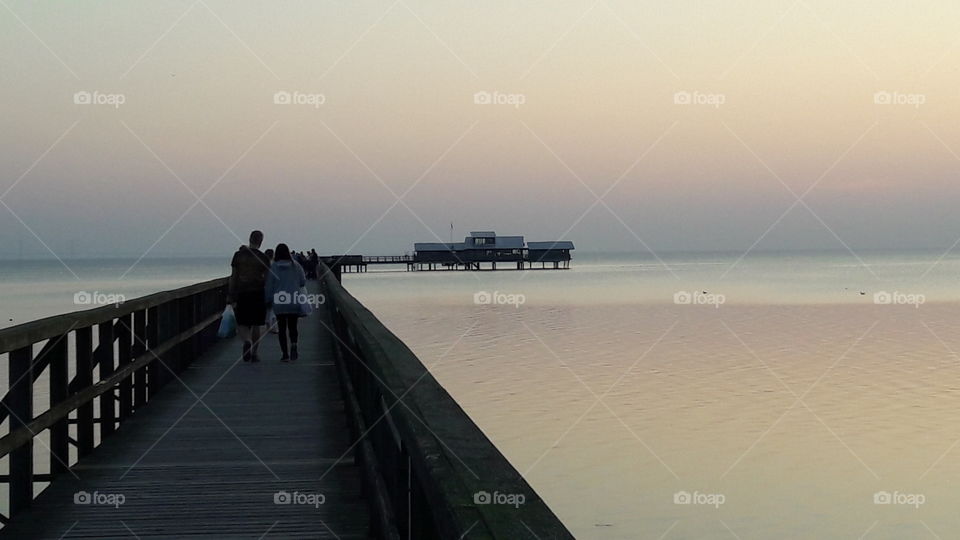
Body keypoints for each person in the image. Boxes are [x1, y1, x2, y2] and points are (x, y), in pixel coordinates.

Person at [227, 230, 271, 362]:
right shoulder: (264, 258)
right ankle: (255, 353)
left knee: (242, 322)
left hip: (242, 292)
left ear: (249, 239)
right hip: (258, 292)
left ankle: (247, 340)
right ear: (261, 241)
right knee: (257, 324)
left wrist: (230, 294)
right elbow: (268, 279)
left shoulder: (238, 256)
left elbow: (233, 277)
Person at [264, 243, 307, 362]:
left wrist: (267, 299)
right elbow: (303, 281)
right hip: (293, 300)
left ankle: (285, 355)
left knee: (282, 329)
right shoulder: (296, 265)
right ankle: (294, 345)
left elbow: (269, 286)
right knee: (293, 326)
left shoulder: (274, 267)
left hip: (279, 301)